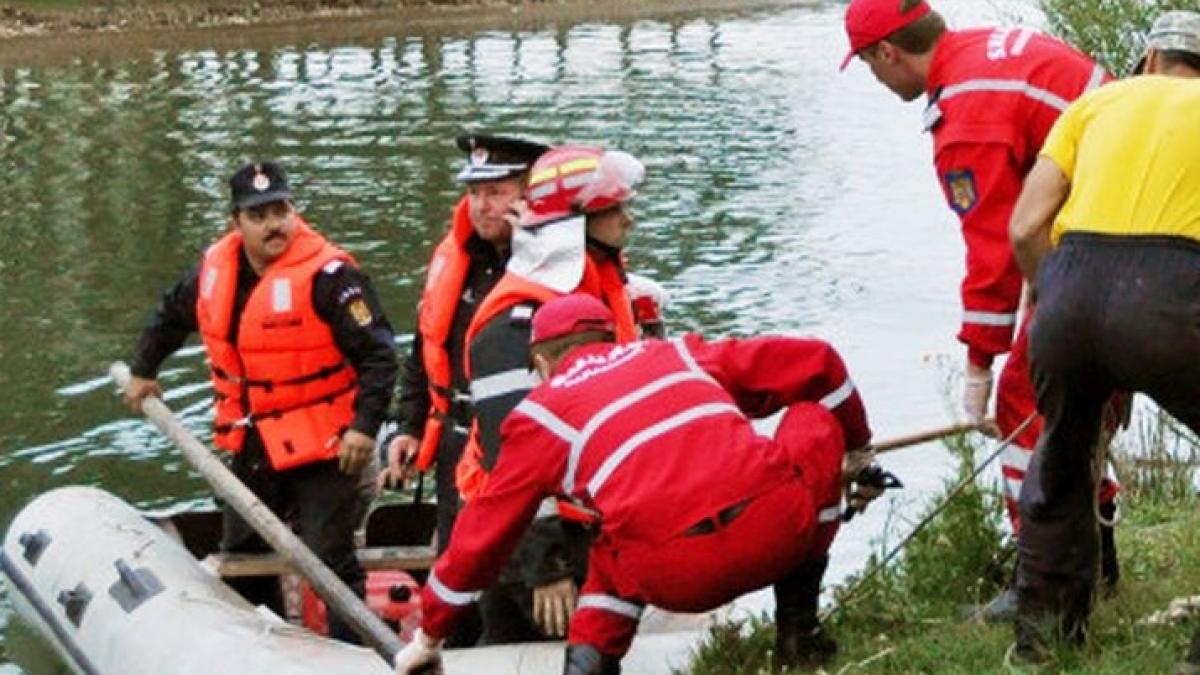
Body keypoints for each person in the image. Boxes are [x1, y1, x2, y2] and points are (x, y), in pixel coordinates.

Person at [394, 293, 882, 675]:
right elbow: (819, 362)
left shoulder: (540, 414)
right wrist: (858, 452)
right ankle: (799, 632)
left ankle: (590, 667)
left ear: (541, 365)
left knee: (610, 553)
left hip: (674, 574)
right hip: (776, 536)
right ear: (613, 338)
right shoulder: (679, 354)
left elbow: (482, 535)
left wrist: (429, 637)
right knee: (814, 421)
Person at [840, 0, 1119, 616]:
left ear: (888, 52)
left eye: (868, 66)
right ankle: (1097, 557)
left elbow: (996, 249)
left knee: (1025, 397)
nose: (877, 81)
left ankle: (1039, 578)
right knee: (1078, 398)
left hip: (1107, 224)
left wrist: (979, 366)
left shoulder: (967, 115)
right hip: (1119, 201)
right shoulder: (989, 48)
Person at [123, 160, 398, 643]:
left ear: (294, 211)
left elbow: (380, 355)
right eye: (259, 215)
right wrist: (145, 369)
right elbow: (171, 314)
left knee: (328, 555)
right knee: (243, 548)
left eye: (281, 210)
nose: (274, 224)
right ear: (237, 223)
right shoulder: (215, 271)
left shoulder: (331, 276)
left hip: (325, 443)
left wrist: (364, 427)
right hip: (253, 437)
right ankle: (264, 644)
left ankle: (356, 652)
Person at [1007, 11, 1200, 664]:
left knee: (1062, 458)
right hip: (1176, 294)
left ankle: (1045, 642)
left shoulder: (1095, 104)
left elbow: (1026, 226)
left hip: (1070, 289)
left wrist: (1061, 304)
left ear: (1149, 59)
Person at [451, 145, 647, 646]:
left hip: (582, 520)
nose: (627, 221)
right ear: (576, 224)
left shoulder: (599, 290)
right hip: (530, 537)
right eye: (614, 210)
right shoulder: (510, 327)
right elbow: (512, 460)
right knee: (536, 648)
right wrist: (546, 566)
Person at [380, 133, 549, 554]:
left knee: (514, 569)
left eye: (496, 191)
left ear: (529, 195)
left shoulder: (553, 270)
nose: (481, 205)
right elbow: (427, 349)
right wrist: (409, 426)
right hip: (457, 444)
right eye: (474, 192)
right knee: (457, 568)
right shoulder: (457, 261)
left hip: (521, 450)